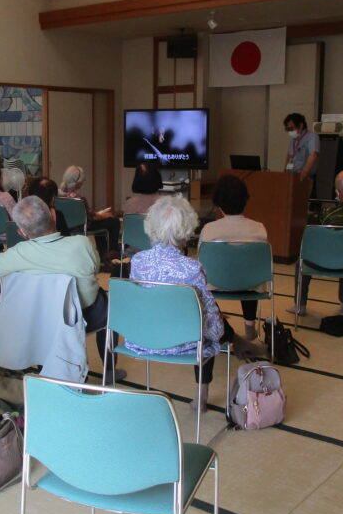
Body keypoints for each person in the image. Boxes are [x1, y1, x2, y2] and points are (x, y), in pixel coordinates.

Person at [0, 195, 123, 383]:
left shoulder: (19, 253)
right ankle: (109, 370)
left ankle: (46, 369)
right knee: (107, 302)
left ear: (22, 232)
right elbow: (95, 268)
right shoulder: (82, 244)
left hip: (42, 320)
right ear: (53, 216)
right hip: (85, 315)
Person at [127, 195, 237, 413]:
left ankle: (241, 344)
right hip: (184, 344)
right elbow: (214, 329)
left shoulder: (137, 261)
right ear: (188, 228)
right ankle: (201, 397)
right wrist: (224, 332)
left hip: (142, 339)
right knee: (213, 327)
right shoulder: (192, 269)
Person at [288, 171, 343, 317]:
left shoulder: (327, 214)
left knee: (301, 261)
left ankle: (300, 305)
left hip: (325, 263)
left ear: (337, 192)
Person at [199, 174, 269, 342]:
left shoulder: (209, 229)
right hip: (251, 285)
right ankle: (250, 329)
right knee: (248, 273)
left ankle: (214, 327)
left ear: (218, 203)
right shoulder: (259, 228)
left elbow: (201, 263)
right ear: (245, 200)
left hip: (216, 285)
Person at [58, 165, 120, 256]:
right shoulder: (79, 198)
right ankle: (112, 253)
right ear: (78, 182)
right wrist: (104, 215)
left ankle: (103, 253)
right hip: (81, 226)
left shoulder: (58, 195)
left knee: (102, 223)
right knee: (114, 221)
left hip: (64, 227)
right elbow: (91, 217)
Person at [283, 113, 319, 182]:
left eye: (291, 128)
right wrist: (284, 173)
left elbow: (313, 155)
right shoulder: (294, 139)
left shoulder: (312, 137)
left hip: (305, 177)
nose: (290, 131)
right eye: (287, 129)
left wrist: (303, 174)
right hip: (291, 176)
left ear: (301, 125)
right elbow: (289, 156)